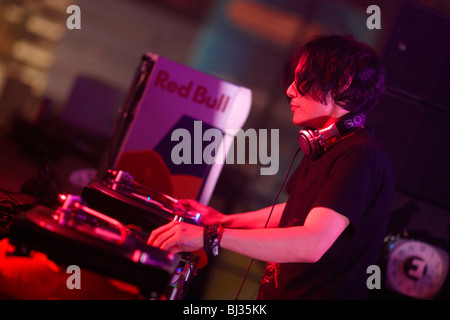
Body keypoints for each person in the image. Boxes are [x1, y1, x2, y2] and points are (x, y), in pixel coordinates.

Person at [147, 34, 394, 300]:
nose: (290, 90)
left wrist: (212, 235)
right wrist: (222, 220)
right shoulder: (330, 147)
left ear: (343, 83)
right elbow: (296, 211)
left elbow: (312, 243)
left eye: (303, 80)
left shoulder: (360, 155)